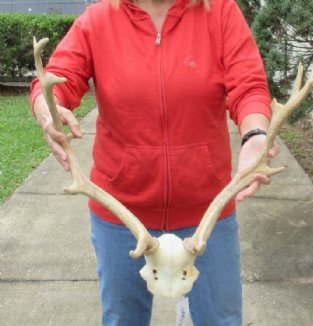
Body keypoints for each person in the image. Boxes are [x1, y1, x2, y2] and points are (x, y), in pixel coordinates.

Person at [30, 0, 279, 324]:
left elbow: (249, 86)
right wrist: (47, 108)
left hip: (207, 213)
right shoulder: (99, 19)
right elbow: (54, 80)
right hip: (120, 215)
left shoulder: (219, 12)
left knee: (222, 320)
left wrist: (255, 134)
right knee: (123, 320)